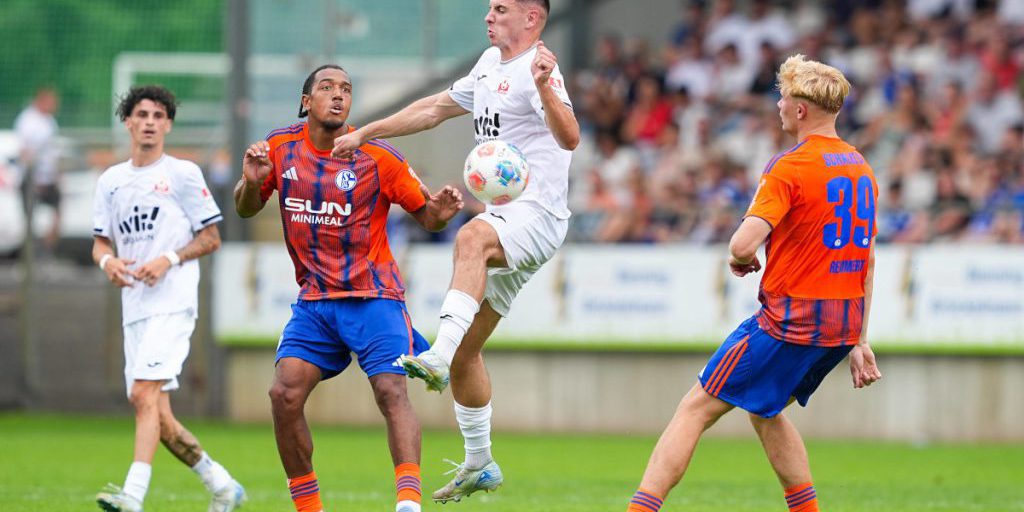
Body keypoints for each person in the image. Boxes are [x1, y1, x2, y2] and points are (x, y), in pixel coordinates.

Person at [331, 0, 580, 503]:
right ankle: (479, 460)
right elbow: (435, 108)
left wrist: (544, 88)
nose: (488, 16)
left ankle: (436, 356)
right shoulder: (489, 65)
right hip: (510, 218)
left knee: (470, 236)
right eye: (489, 8)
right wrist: (364, 133)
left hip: (537, 214)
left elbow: (570, 137)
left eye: (501, 8)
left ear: (532, 18)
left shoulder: (540, 71)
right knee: (471, 350)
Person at [625, 54, 883, 512]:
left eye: (782, 97)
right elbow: (866, 257)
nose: (779, 105)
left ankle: (639, 509)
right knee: (766, 410)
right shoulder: (861, 168)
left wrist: (737, 257)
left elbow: (744, 243)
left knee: (695, 408)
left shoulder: (789, 166)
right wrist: (860, 338)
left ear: (801, 109)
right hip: (841, 323)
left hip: (791, 319)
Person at [233, 64, 464, 512]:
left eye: (346, 89)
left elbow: (430, 218)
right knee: (284, 394)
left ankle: (408, 505)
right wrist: (250, 178)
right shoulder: (279, 148)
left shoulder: (378, 157)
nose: (338, 95)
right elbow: (245, 209)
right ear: (306, 102)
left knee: (390, 391)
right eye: (327, 87)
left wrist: (442, 208)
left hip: (373, 297)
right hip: (316, 303)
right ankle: (309, 508)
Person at [92, 85, 245, 512]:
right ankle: (221, 485)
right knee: (158, 418)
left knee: (143, 394)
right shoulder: (111, 181)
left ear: (168, 125)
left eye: (158, 116)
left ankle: (132, 497)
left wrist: (169, 258)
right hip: (135, 309)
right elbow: (100, 244)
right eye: (141, 114)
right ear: (128, 121)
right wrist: (110, 266)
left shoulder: (181, 174)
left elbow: (211, 237)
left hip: (173, 304)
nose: (149, 122)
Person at [15, 87, 61, 254]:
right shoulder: (27, 120)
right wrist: (34, 178)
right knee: (30, 221)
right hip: (32, 179)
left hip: (48, 179)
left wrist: (55, 175)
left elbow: (52, 152)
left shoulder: (49, 121)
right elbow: (24, 151)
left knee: (57, 215)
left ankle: (47, 251)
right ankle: (29, 256)